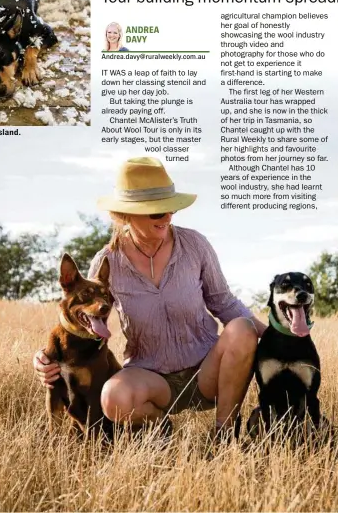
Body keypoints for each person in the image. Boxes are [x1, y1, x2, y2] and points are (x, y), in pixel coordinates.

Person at [33, 157, 266, 443]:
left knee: (243, 328)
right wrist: (47, 360)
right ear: (125, 214)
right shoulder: (107, 261)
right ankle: (163, 429)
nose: (167, 217)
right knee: (113, 398)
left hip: (207, 372)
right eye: (157, 213)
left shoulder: (195, 245)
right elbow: (86, 321)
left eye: (170, 209)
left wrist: (278, 338)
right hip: (149, 377)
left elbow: (225, 303)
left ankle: (225, 433)